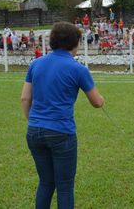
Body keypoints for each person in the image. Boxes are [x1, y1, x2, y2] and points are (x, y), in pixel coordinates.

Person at [21, 22, 104, 209]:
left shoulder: (36, 63)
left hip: (34, 131)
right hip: (61, 133)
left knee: (45, 183)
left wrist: (33, 122)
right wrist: (102, 100)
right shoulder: (78, 69)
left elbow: (25, 99)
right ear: (74, 43)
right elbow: (97, 102)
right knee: (65, 186)